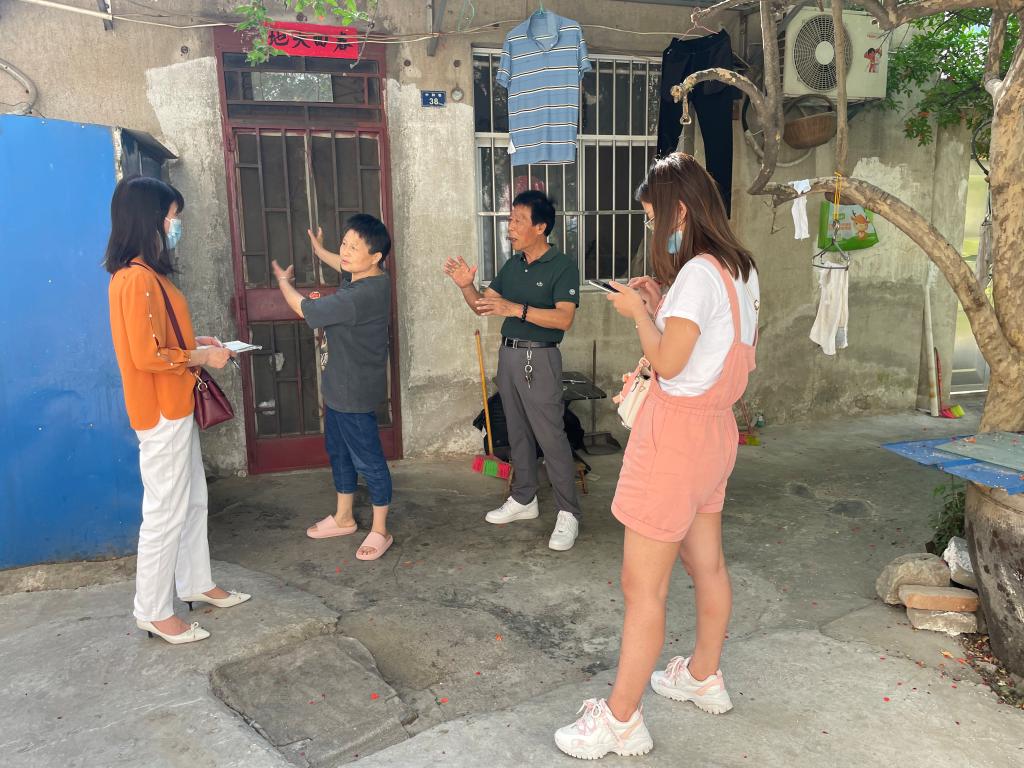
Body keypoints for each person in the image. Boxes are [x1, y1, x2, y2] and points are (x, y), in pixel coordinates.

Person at [555, 153, 760, 759]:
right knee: (708, 565)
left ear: (680, 210)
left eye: (652, 217)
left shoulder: (697, 272)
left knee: (642, 587)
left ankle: (620, 720)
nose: (652, 228)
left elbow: (669, 363)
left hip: (673, 438)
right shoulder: (739, 269)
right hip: (714, 434)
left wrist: (640, 312)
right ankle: (703, 675)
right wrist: (660, 300)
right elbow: (708, 343)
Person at [106, 176, 250, 646]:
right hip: (160, 410)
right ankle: (152, 609)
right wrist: (202, 356)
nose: (175, 226)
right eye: (172, 217)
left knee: (192, 500)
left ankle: (196, 582)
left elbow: (163, 340)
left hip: (175, 403)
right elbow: (147, 355)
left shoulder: (148, 276)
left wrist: (197, 342)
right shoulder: (135, 279)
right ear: (150, 219)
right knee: (165, 511)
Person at [444, 191, 582, 551]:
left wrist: (515, 309)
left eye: (518, 220)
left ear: (540, 227)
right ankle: (524, 498)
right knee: (517, 431)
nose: (510, 227)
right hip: (509, 356)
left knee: (551, 436)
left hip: (541, 357)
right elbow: (483, 306)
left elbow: (563, 318)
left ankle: (568, 512)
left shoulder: (562, 266)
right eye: (510, 219)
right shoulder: (513, 265)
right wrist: (466, 286)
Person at [272, 214, 394, 561]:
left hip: (354, 391)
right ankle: (343, 517)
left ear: (375, 257)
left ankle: (380, 529)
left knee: (369, 460)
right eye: (344, 243)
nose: (345, 252)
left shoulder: (361, 295)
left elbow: (304, 308)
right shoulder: (370, 276)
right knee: (339, 452)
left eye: (354, 247)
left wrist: (283, 281)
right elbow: (343, 263)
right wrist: (320, 250)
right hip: (339, 385)